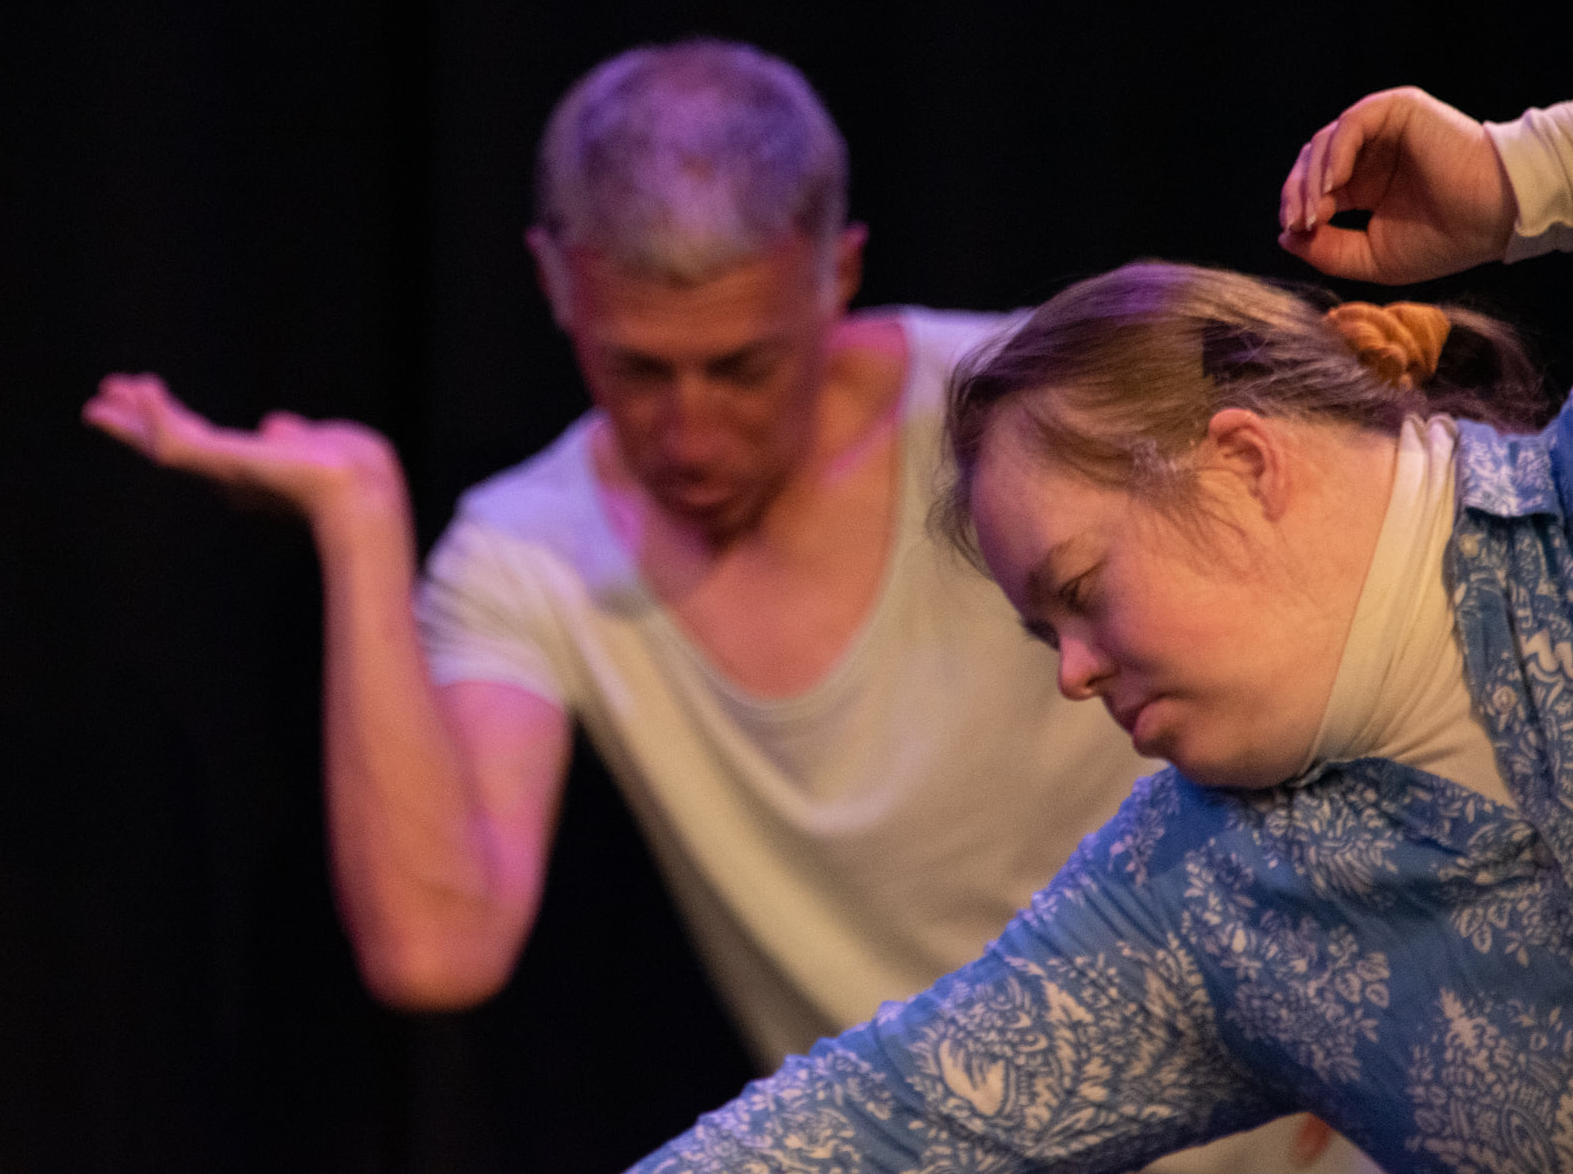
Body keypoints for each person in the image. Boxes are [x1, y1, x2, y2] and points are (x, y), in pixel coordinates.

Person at [84, 40, 1355, 1171]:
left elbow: (1348, 622)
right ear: (553, 282)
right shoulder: (533, 551)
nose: (688, 431)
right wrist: (358, 517)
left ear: (835, 272)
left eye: (742, 367)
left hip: (1308, 1122)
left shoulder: (1024, 419)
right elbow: (435, 944)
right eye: (636, 368)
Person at [629, 89, 1573, 1171]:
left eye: (1081, 587)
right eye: (1047, 635)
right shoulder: (1198, 894)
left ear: (1243, 465)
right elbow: (856, 1125)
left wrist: (1517, 175)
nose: (1073, 674)